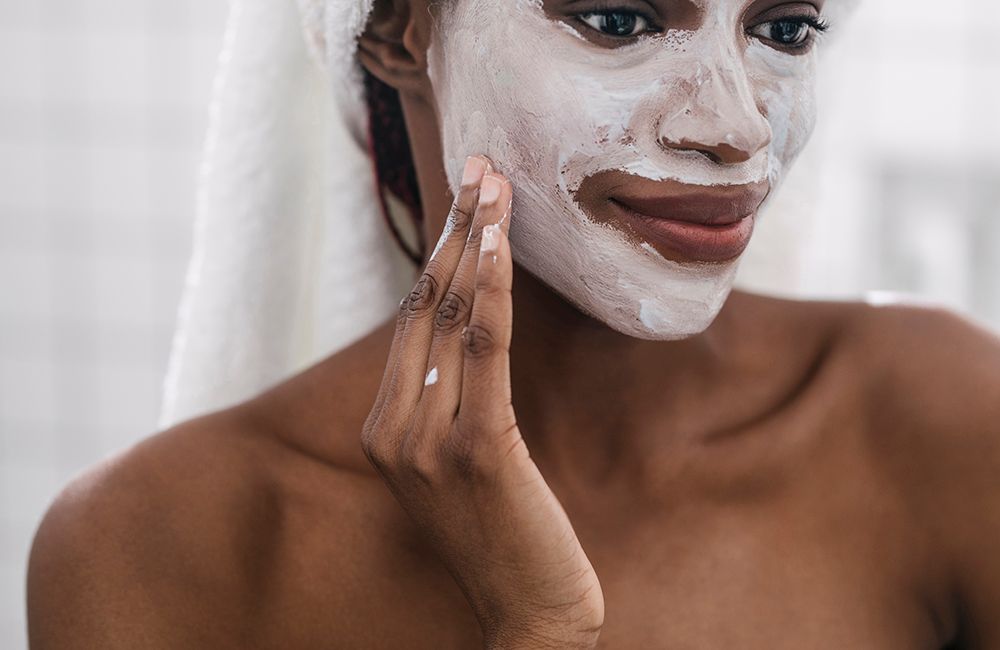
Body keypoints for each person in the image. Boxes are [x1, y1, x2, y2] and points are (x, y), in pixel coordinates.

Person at [26, 0, 1000, 647]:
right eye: (617, 19)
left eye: (783, 29)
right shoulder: (156, 546)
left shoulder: (943, 424)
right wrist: (540, 629)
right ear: (394, 30)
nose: (736, 127)